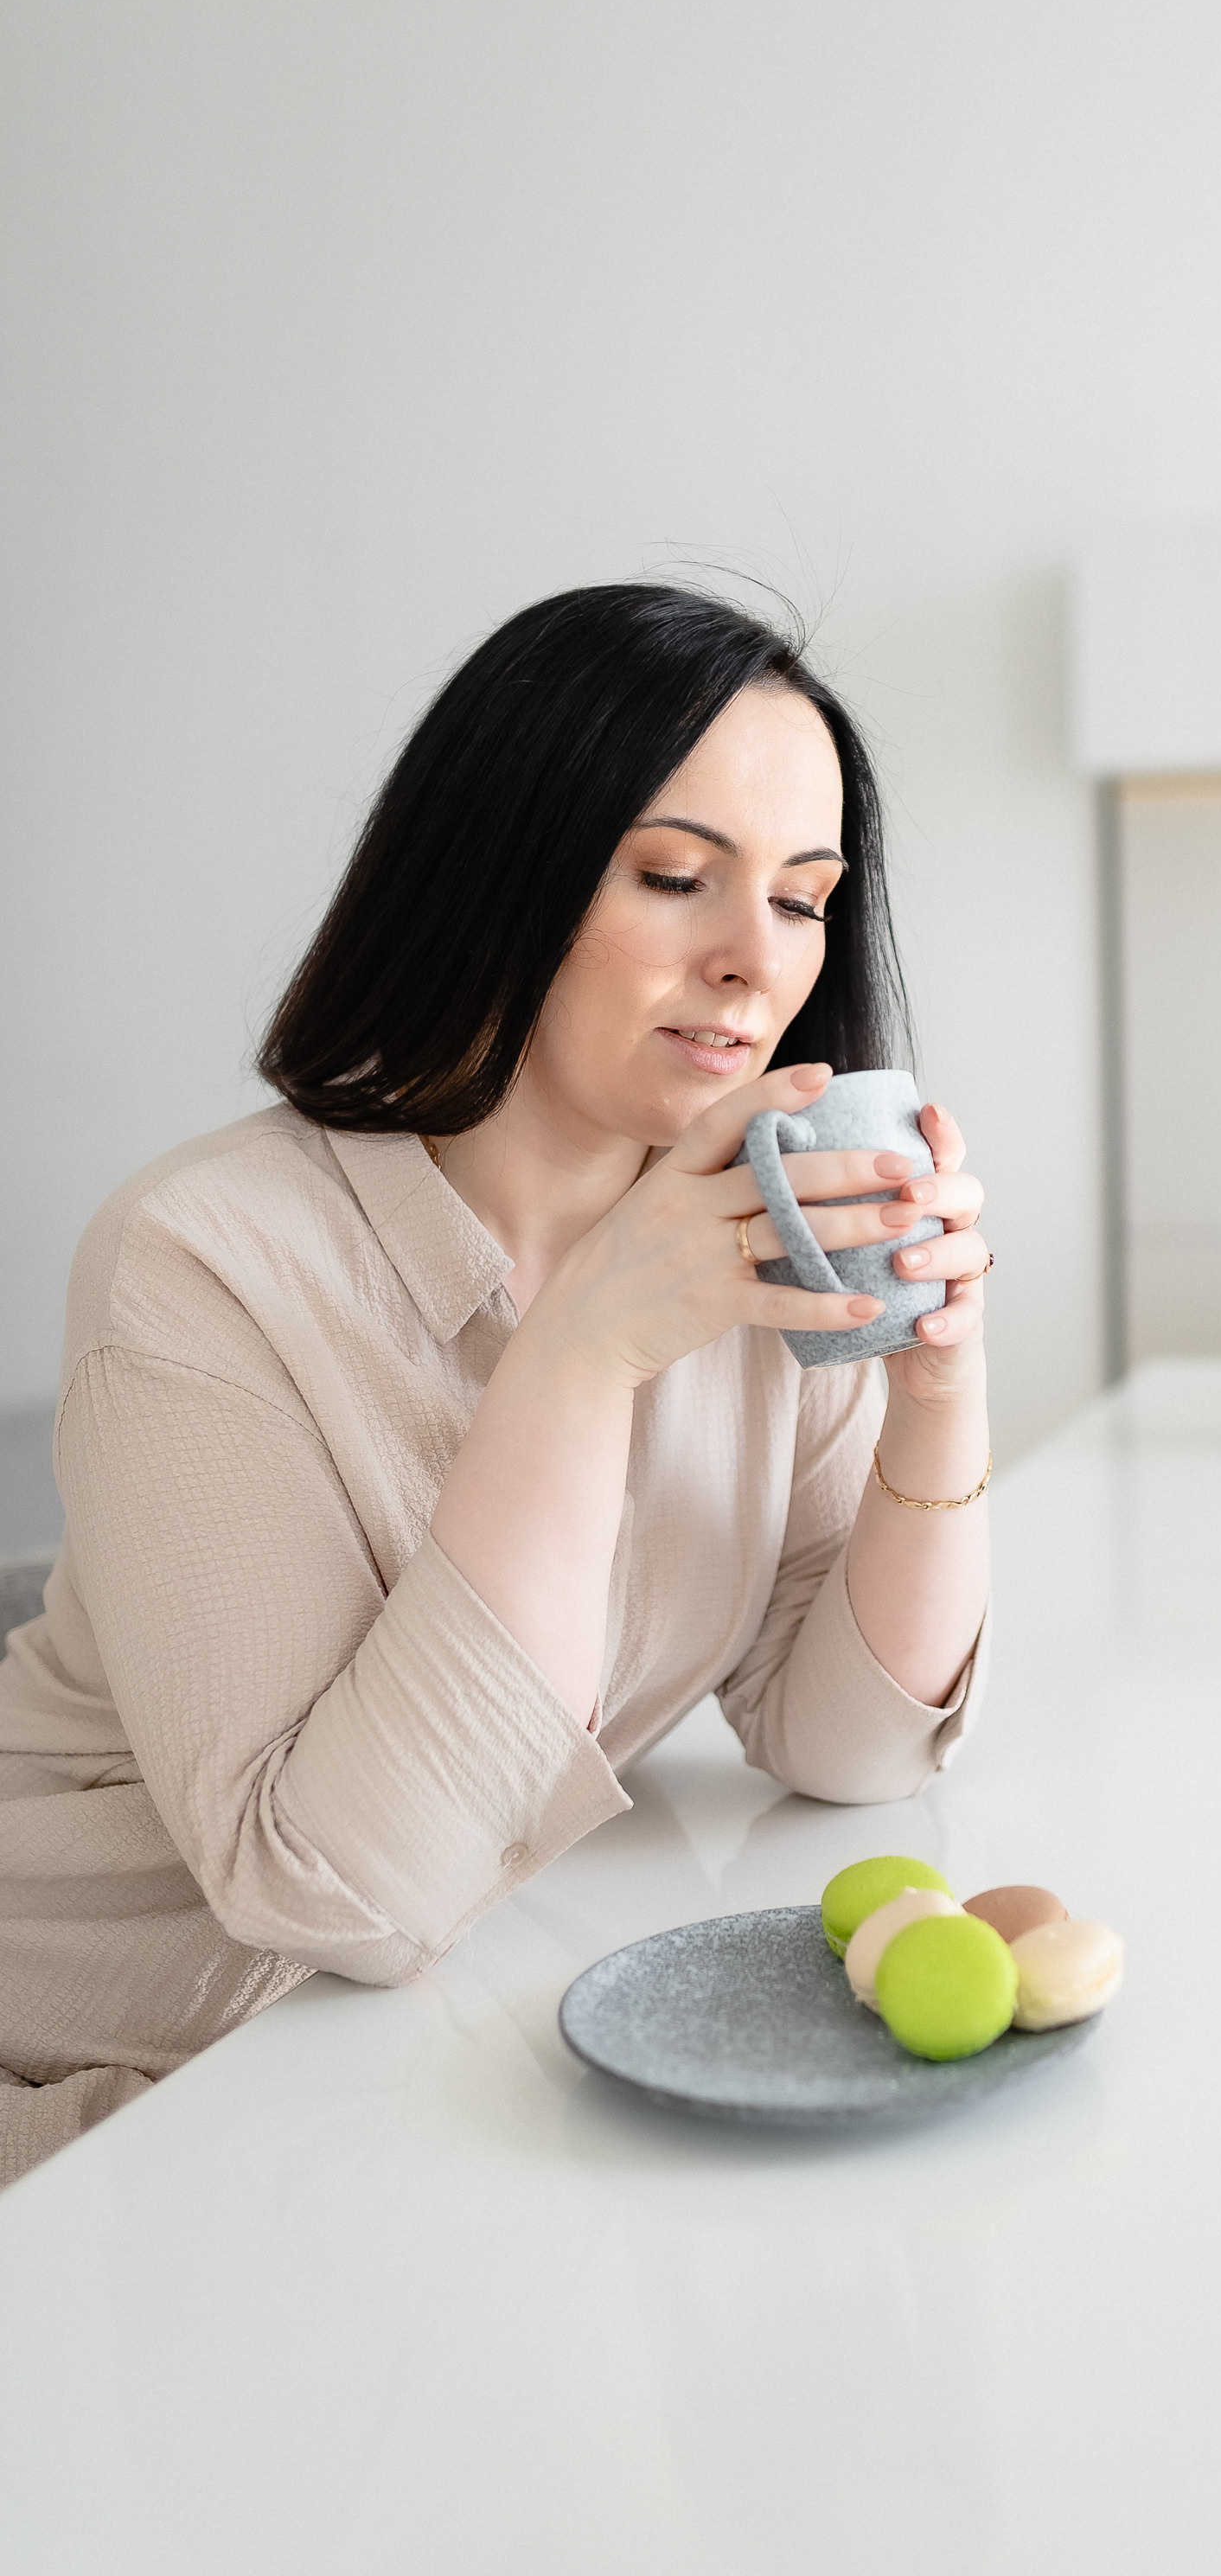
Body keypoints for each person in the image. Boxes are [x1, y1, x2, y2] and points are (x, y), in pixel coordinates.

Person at [0, 585, 992, 2188]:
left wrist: (940, 1388)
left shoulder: (759, 1229)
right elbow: (338, 1897)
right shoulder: (200, 1260)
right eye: (678, 877)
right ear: (497, 872)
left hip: (424, 2051)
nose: (758, 962)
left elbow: (845, 1748)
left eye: (806, 900)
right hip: (124, 2078)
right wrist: (585, 1350)